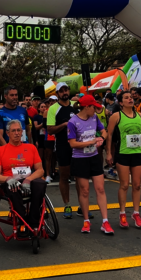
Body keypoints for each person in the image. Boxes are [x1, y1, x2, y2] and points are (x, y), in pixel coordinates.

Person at [0, 120, 47, 236]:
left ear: (22, 132)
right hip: (10, 181)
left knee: (41, 184)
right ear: (7, 133)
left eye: (18, 130)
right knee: (14, 188)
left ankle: (33, 219)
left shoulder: (31, 148)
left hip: (28, 179)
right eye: (13, 131)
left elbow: (40, 170)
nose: (16, 133)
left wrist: (28, 180)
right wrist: (7, 179)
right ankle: (23, 221)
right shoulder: (0, 151)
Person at [67, 95, 112, 234]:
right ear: (87, 107)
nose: (96, 109)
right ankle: (86, 221)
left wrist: (101, 139)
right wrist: (90, 142)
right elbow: (72, 143)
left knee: (100, 188)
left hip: (93, 157)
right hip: (80, 159)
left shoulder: (94, 118)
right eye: (94, 107)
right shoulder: (73, 122)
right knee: (84, 190)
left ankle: (105, 222)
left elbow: (104, 131)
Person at [106, 90, 141, 229]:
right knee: (124, 185)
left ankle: (136, 213)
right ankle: (122, 213)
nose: (130, 99)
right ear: (121, 102)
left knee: (137, 185)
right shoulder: (116, 116)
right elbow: (110, 135)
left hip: (137, 153)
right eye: (126, 98)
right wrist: (108, 153)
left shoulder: (140, 115)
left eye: (131, 97)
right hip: (123, 153)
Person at [47, 83, 83, 219]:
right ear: (57, 94)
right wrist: (63, 125)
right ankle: (67, 204)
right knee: (64, 176)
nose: (64, 93)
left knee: (80, 176)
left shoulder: (76, 104)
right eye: (61, 91)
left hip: (78, 145)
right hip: (62, 146)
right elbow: (50, 129)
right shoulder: (53, 109)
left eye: (66, 90)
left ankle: (82, 205)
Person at [43, 98, 57, 183]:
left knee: (55, 157)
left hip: (57, 136)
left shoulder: (58, 110)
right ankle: (47, 175)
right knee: (48, 156)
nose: (52, 103)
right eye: (50, 101)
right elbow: (45, 125)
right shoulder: (46, 112)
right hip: (49, 137)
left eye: (54, 101)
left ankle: (54, 172)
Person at [32, 102, 46, 175]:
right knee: (40, 156)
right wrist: (43, 124)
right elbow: (36, 127)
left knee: (47, 156)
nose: (44, 108)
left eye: (45, 107)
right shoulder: (36, 117)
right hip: (40, 138)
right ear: (39, 108)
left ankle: (48, 172)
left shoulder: (48, 116)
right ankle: (40, 172)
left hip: (47, 138)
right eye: (42, 106)